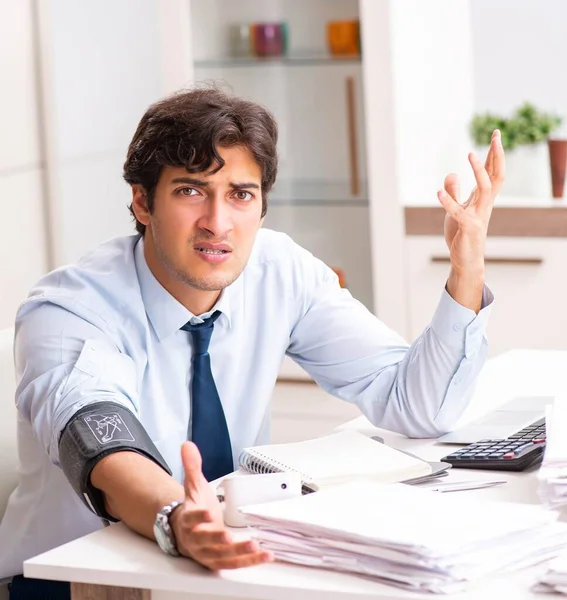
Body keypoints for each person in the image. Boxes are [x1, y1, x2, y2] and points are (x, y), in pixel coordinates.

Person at [0, 86, 504, 597]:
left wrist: (467, 269)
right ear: (142, 202)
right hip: (76, 580)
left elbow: (416, 406)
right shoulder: (69, 309)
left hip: (219, 563)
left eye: (240, 195)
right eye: (190, 190)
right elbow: (101, 441)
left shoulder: (278, 270)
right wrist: (178, 517)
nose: (218, 223)